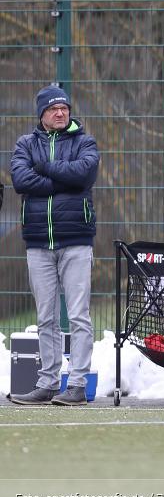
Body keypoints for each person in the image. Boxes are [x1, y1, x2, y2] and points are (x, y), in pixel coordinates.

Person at [9, 85, 99, 406]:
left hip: (76, 241)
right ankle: (47, 382)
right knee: (45, 316)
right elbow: (21, 180)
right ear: (42, 114)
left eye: (64, 108)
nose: (60, 113)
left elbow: (83, 174)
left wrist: (44, 167)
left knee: (78, 316)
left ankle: (76, 385)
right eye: (52, 109)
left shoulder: (84, 141)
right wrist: (65, 181)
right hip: (37, 243)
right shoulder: (24, 144)